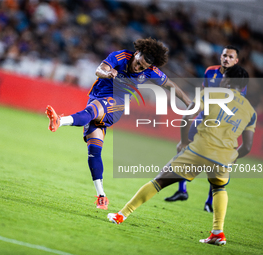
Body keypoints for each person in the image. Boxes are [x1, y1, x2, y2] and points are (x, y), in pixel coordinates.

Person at [108, 65, 256, 246]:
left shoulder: (211, 94)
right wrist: (234, 157)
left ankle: (121, 214)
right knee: (219, 188)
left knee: (159, 181)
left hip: (199, 150)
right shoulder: (250, 111)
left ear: (226, 80)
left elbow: (187, 116)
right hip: (224, 157)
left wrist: (184, 141)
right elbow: (247, 146)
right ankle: (217, 232)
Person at [46, 37, 191, 210]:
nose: (138, 68)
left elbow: (171, 85)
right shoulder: (120, 57)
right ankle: (101, 196)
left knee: (91, 112)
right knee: (94, 152)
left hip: (116, 105)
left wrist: (189, 103)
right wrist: (108, 73)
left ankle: (59, 121)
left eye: (143, 68)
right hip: (97, 97)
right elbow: (100, 70)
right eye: (138, 63)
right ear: (136, 53)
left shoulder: (151, 72)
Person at [164, 45, 247, 214]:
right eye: (225, 55)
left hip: (223, 126)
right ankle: (182, 190)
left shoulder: (240, 77)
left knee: (216, 165)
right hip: (203, 118)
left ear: (236, 61)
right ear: (220, 56)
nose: (226, 59)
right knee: (182, 148)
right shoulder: (211, 71)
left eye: (231, 57)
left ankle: (209, 202)